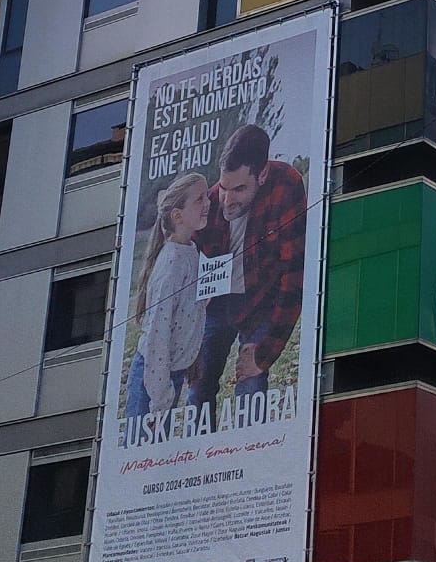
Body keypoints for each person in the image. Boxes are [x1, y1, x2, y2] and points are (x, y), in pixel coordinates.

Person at [188, 124, 306, 413]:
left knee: (250, 388)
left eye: (239, 188)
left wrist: (263, 354)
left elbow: (294, 278)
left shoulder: (286, 185)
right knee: (197, 389)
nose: (227, 200)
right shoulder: (210, 201)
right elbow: (184, 266)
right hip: (216, 303)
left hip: (261, 300)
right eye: (224, 187)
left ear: (262, 174)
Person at [124, 172, 211, 418]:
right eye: (199, 199)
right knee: (143, 454)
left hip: (170, 375)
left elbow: (191, 315)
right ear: (177, 215)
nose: (208, 203)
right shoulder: (172, 264)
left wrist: (192, 358)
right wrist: (159, 401)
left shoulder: (191, 252)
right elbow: (157, 334)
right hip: (153, 383)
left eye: (207, 197)